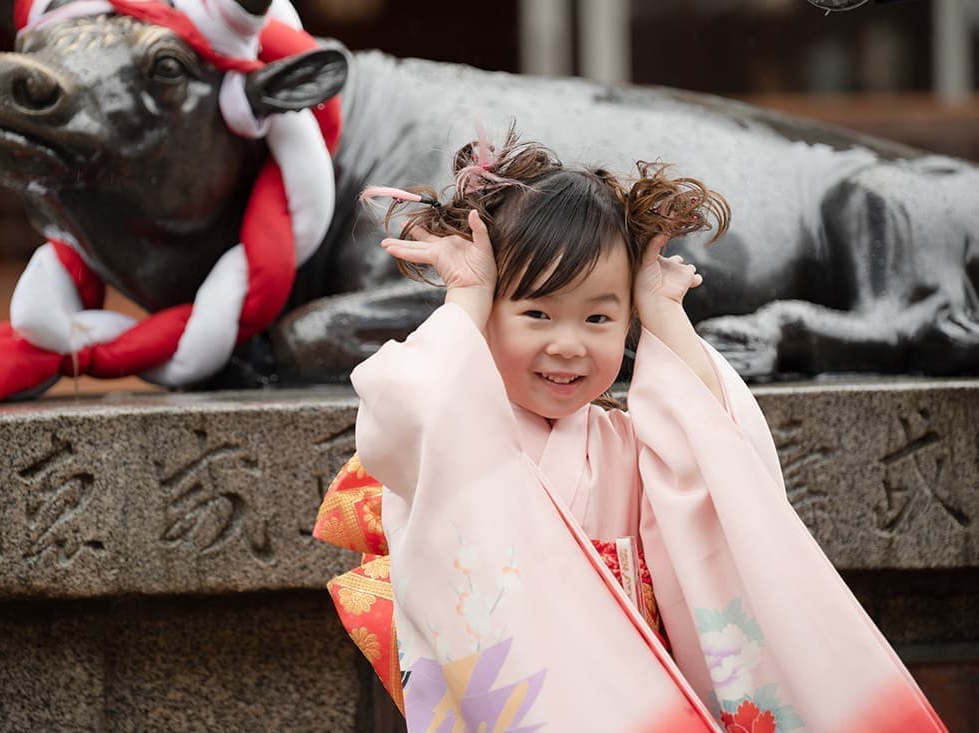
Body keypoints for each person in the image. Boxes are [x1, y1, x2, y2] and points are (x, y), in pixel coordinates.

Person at [313, 127, 945, 732]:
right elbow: (415, 411)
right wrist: (466, 296)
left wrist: (663, 312)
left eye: (598, 317)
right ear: (487, 316)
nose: (567, 345)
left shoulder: (629, 446)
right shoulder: (465, 434)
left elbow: (722, 465)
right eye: (535, 312)